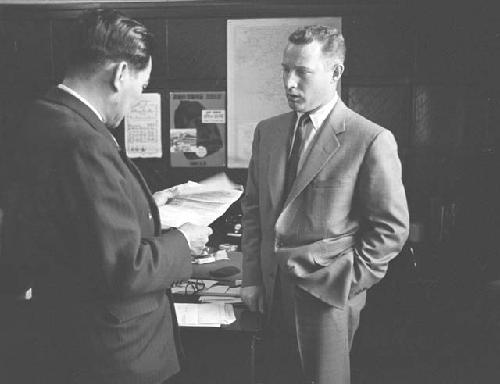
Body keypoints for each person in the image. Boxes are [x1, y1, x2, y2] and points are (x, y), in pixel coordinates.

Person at [0, 8, 211, 384]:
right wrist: (184, 241)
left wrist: (147, 208)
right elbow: (124, 267)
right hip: (117, 355)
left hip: (66, 336)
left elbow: (73, 224)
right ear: (119, 74)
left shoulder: (43, 116)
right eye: (141, 88)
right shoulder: (84, 141)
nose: (135, 103)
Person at [240, 25, 409, 384]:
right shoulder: (267, 132)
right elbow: (253, 210)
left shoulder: (370, 139)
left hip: (328, 298)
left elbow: (391, 230)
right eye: (286, 70)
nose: (289, 82)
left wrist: (346, 283)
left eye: (302, 72)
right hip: (269, 296)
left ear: (335, 73)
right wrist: (252, 278)